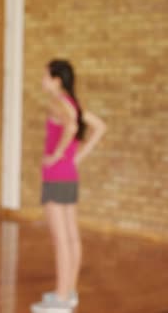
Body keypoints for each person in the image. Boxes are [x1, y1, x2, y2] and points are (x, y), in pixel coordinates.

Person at [31, 60, 107, 313]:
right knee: (71, 236)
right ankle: (68, 292)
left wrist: (57, 155)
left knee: (61, 239)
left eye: (45, 75)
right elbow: (100, 127)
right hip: (69, 175)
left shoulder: (57, 103)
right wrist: (75, 158)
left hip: (55, 176)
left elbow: (72, 127)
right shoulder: (72, 104)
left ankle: (61, 299)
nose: (42, 80)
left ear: (57, 80)